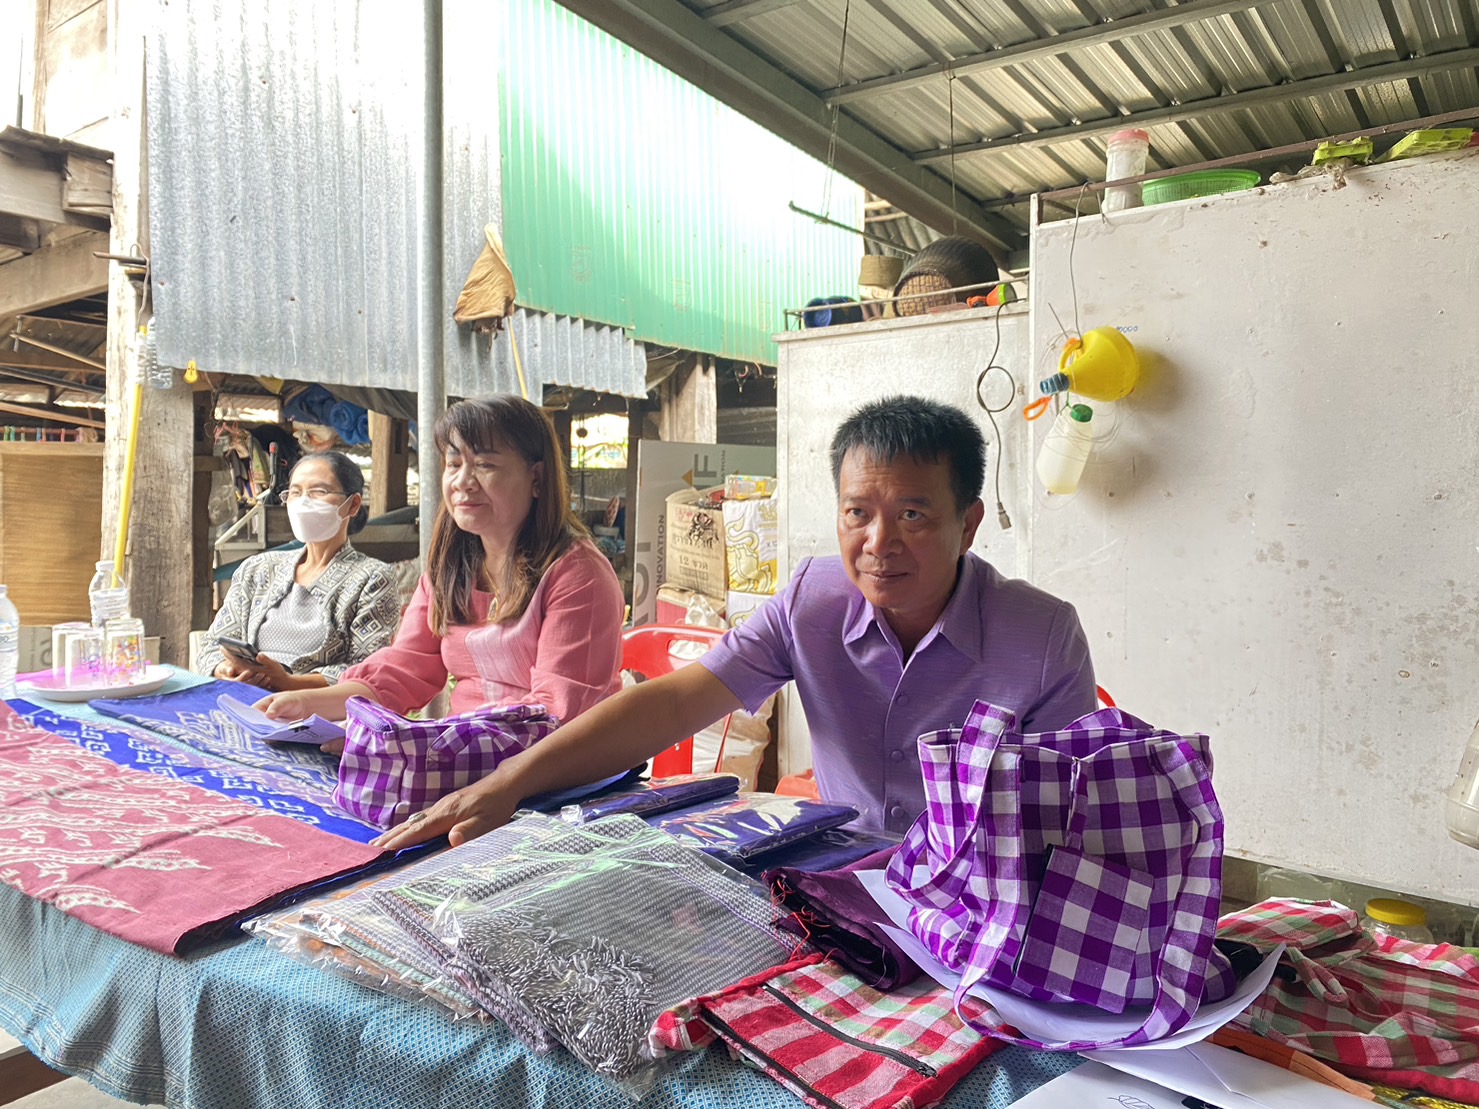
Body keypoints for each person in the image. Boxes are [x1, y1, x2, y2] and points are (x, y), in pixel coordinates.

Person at [373, 394, 1097, 851]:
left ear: (968, 524)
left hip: (985, 894)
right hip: (841, 877)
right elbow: (675, 702)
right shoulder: (813, 600)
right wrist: (508, 782)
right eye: (857, 513)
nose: (879, 543)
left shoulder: (1040, 637)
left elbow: (1069, 820)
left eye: (912, 514)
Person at [259, 395, 625, 727]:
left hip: (557, 766)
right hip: (462, 754)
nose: (463, 481)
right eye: (454, 463)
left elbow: (556, 712)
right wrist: (305, 703)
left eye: (484, 464)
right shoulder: (451, 567)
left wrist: (423, 746)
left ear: (538, 478)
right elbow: (406, 667)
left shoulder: (577, 574)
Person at [198, 451, 401, 693]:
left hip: (316, 708)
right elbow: (213, 644)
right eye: (295, 492)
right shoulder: (258, 569)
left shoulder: (372, 578)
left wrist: (288, 683)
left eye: (319, 491)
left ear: (353, 504)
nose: (304, 502)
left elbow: (367, 668)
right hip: (243, 699)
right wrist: (225, 670)